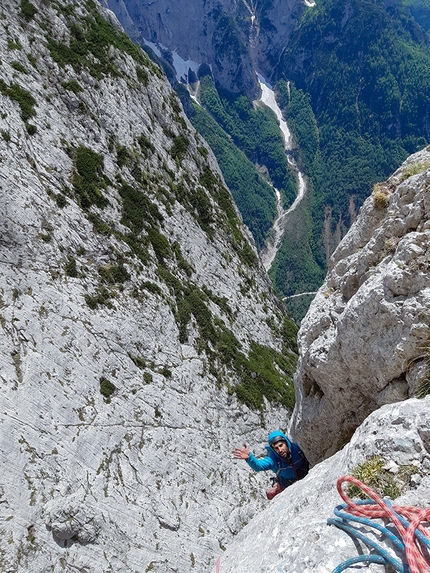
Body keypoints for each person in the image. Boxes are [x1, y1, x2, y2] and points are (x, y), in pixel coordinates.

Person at [232, 430, 309, 500]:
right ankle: (276, 484)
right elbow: (258, 466)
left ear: (286, 443)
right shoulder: (273, 459)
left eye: (281, 445)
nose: (280, 450)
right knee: (270, 494)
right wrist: (249, 458)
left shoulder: (297, 449)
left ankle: (276, 483)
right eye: (276, 448)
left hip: (303, 473)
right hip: (286, 482)